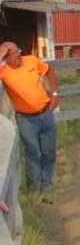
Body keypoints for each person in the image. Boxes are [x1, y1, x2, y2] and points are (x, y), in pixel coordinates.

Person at [0, 42, 60, 196]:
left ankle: (46, 184)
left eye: (18, 50)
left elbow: (49, 71)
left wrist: (54, 94)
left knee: (49, 151)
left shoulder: (31, 60)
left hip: (46, 112)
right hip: (26, 119)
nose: (18, 54)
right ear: (6, 56)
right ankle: (34, 189)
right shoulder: (4, 71)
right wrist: (0, 55)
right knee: (32, 153)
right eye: (13, 52)